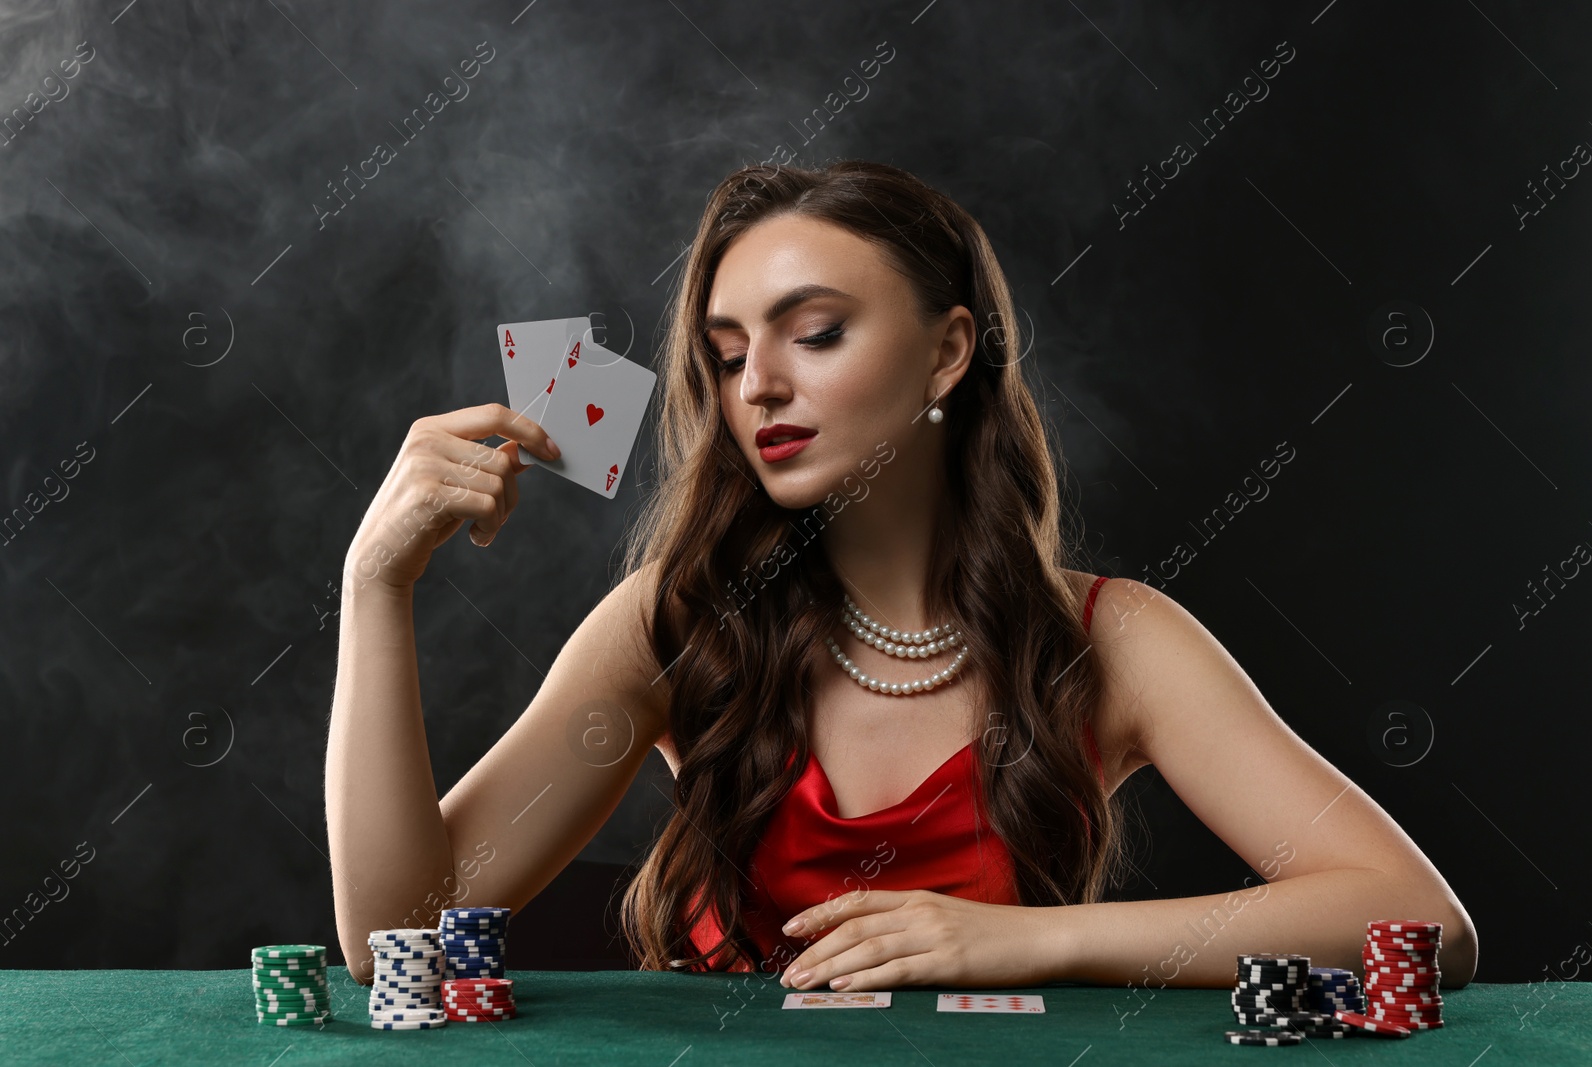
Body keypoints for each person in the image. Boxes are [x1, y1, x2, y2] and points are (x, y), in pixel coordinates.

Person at [325, 159, 1477, 993]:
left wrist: (1027, 941)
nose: (757, 386)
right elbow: (395, 945)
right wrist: (375, 588)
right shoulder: (672, 625)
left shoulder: (1110, 637)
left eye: (813, 332)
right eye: (726, 356)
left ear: (947, 350)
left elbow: (1418, 915)